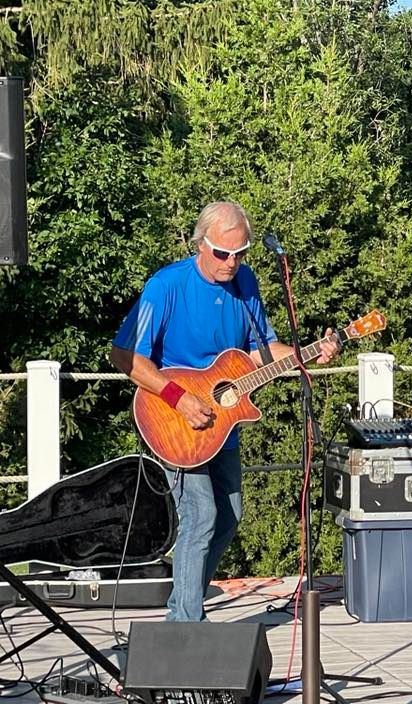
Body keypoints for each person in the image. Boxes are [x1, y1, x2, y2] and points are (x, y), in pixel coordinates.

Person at [110, 201, 340, 620]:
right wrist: (179, 397)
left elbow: (261, 352)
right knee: (200, 515)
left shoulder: (245, 282)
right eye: (222, 253)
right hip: (173, 420)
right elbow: (125, 358)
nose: (231, 262)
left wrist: (310, 353)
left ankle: (183, 607)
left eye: (241, 253)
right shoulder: (166, 286)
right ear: (201, 244)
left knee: (229, 517)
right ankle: (186, 627)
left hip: (222, 425)